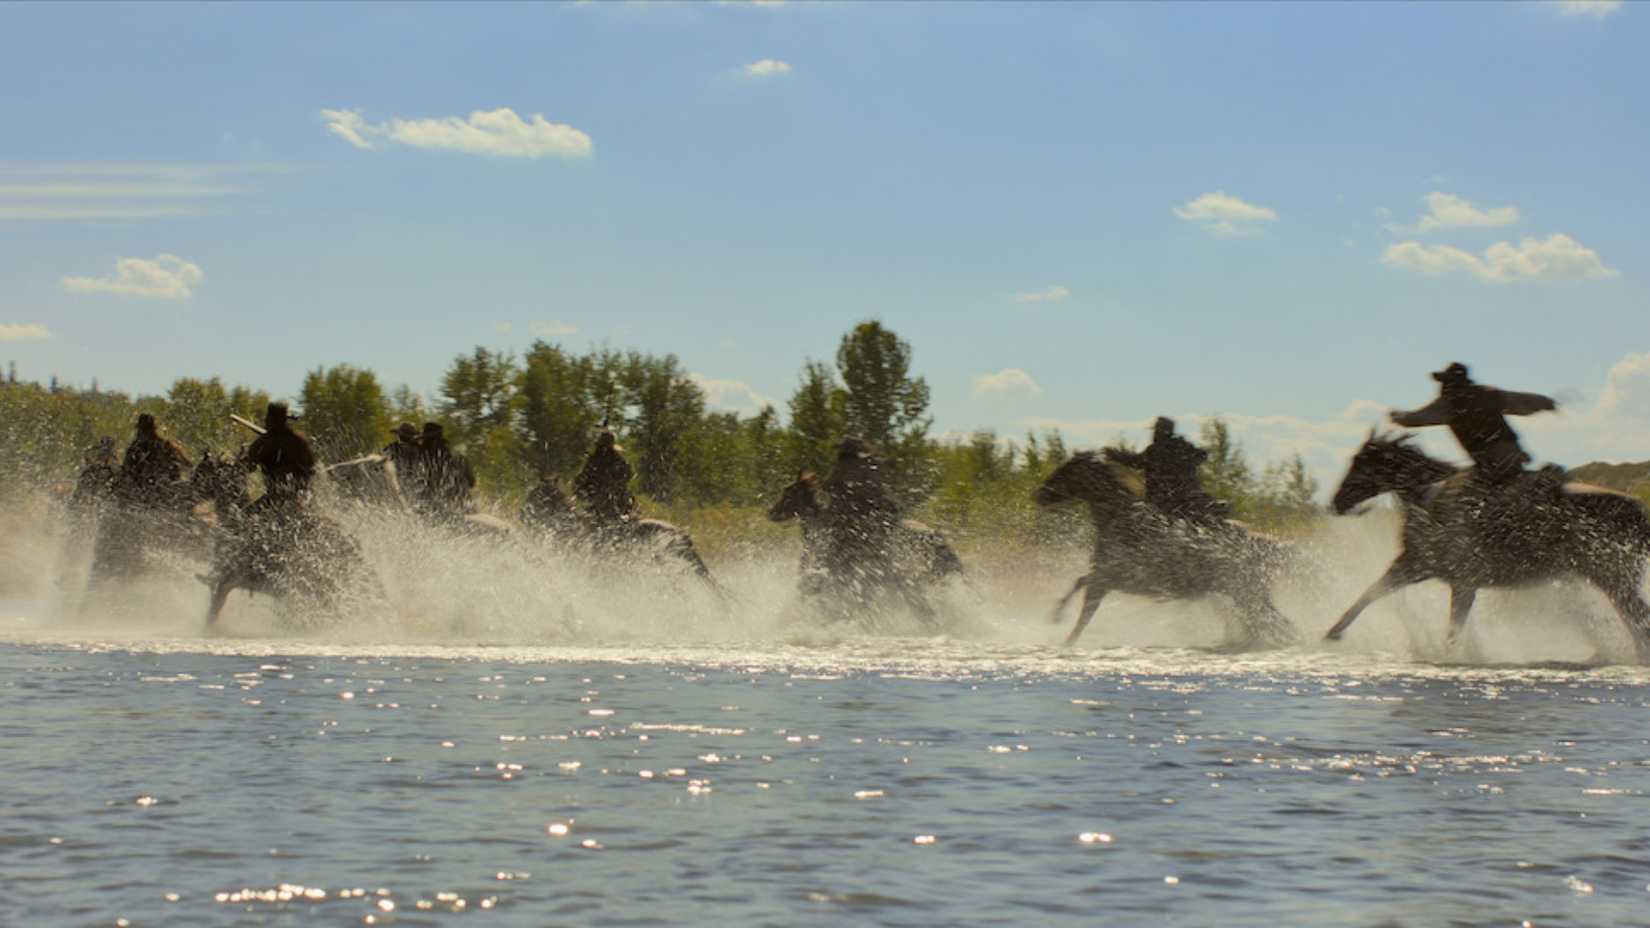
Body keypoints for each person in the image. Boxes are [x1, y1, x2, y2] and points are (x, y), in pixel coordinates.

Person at [1389, 362, 1557, 484]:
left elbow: (1416, 418)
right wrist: (1548, 402)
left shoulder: (1450, 403)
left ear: (1450, 383)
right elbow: (1523, 401)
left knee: (1464, 495)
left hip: (1489, 461)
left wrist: (1397, 417)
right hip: (1512, 454)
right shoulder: (1488, 394)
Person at [1104, 417, 1229, 526]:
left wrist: (1114, 455)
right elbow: (1202, 455)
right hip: (1189, 496)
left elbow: (1135, 462)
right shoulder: (1184, 447)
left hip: (1162, 501)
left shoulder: (1155, 450)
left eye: (1156, 430)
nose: (1154, 434)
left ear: (1161, 431)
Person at [240, 402, 317, 516]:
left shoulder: (266, 443)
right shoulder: (298, 441)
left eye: (269, 419)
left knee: (242, 517)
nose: (267, 422)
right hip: (297, 498)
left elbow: (248, 467)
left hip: (286, 498)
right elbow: (249, 466)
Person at [117, 413, 193, 509]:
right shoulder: (163, 446)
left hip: (155, 493)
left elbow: (186, 464)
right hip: (156, 493)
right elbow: (187, 465)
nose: (141, 433)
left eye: (143, 430)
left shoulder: (161, 446)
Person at [572, 428, 637, 530]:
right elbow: (628, 475)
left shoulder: (596, 459)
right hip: (605, 497)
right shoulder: (616, 459)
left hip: (604, 498)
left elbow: (582, 479)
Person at [413, 422, 476, 521]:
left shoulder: (429, 460)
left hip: (448, 508)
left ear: (433, 441)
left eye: (426, 440)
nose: (423, 444)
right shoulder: (457, 457)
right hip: (464, 505)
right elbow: (471, 482)